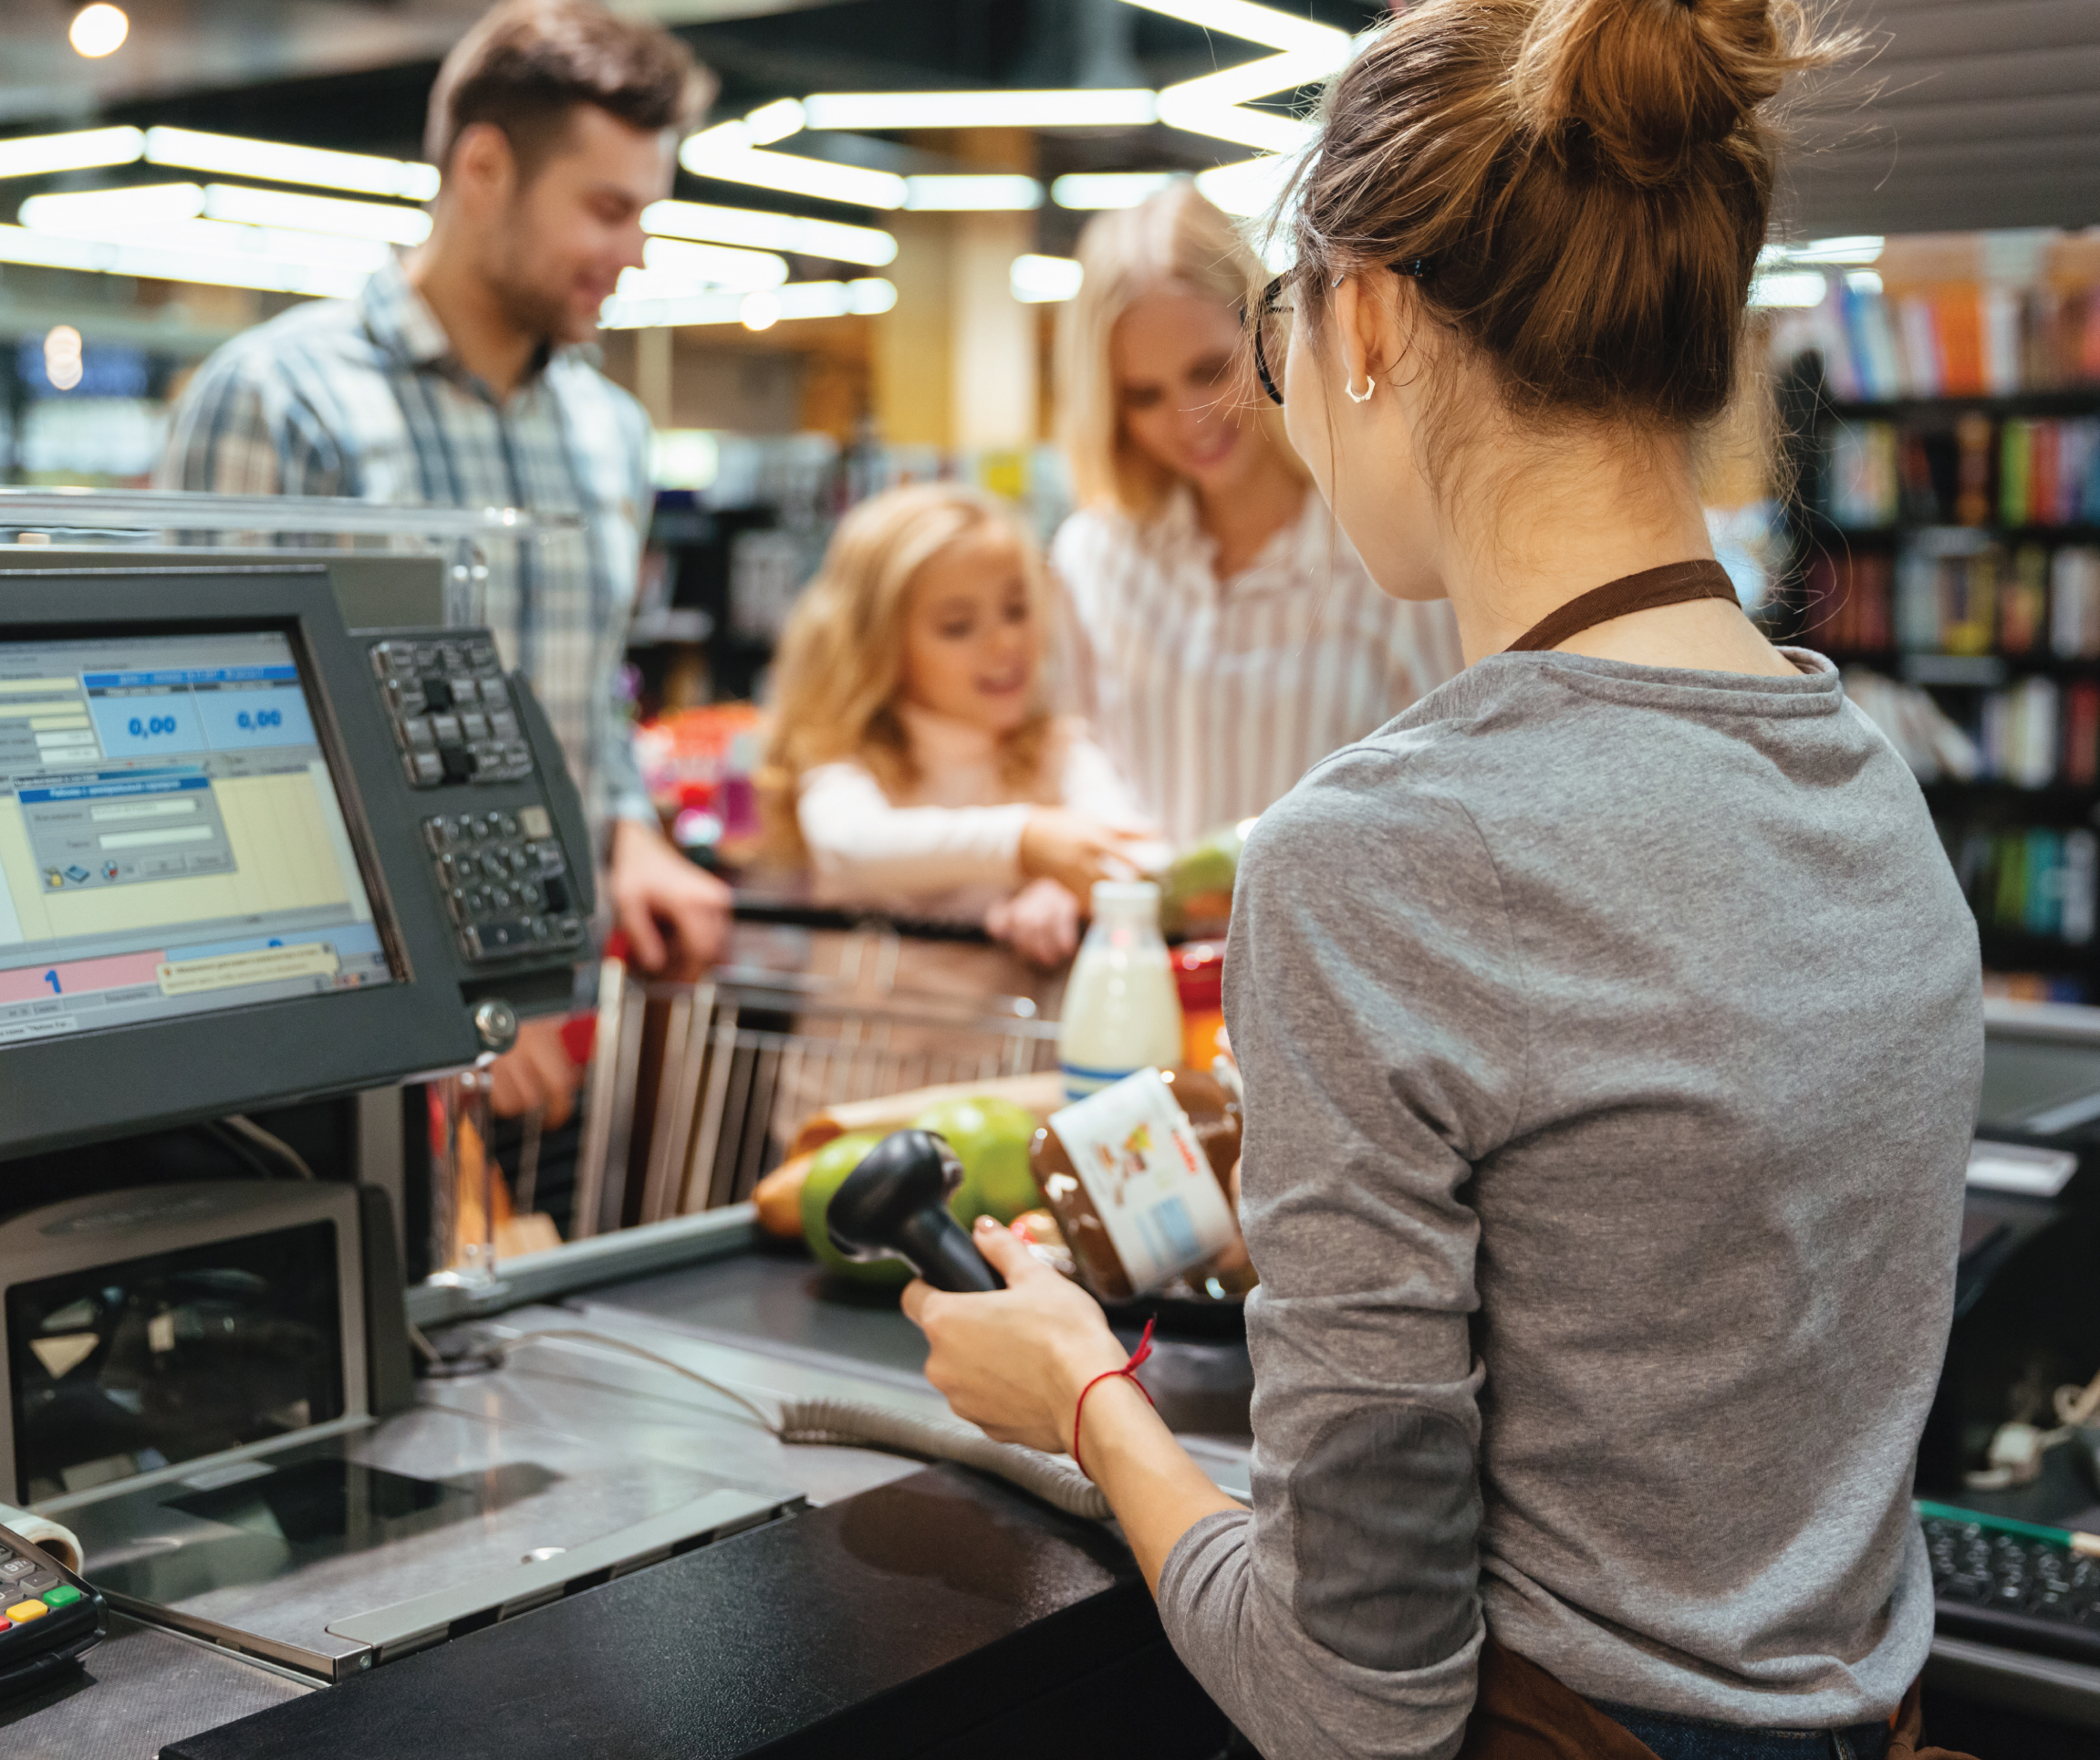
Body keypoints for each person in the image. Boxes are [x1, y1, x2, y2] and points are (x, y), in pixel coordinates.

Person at [901, 2, 1985, 1758]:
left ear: (1373, 320)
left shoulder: (1368, 857)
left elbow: (1352, 1697)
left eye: (1275, 329)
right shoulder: (1859, 771)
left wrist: (1084, 1400)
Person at [157, 0, 730, 1123]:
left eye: (644, 213)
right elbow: (211, 736)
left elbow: (584, 691)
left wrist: (629, 833)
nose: (636, 251)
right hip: (333, 1033)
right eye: (606, 208)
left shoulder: (609, 430)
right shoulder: (282, 398)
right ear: (483, 167)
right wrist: (436, 989)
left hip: (554, 1012)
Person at [1049, 183, 1463, 847]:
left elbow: (1458, 776)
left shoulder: (1386, 547)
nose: (1190, 420)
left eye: (1210, 370)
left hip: (1333, 942)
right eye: (1144, 394)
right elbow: (1065, 744)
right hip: (1143, 943)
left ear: (1272, 331)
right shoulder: (1091, 558)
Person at [758, 484, 1153, 970]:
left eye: (1016, 609)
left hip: (1015, 1045)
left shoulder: (1056, 749)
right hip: (856, 1043)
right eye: (957, 626)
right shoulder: (843, 753)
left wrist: (1065, 889)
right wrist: (1025, 842)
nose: (1005, 642)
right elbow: (851, 845)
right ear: (879, 644)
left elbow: (1142, 857)